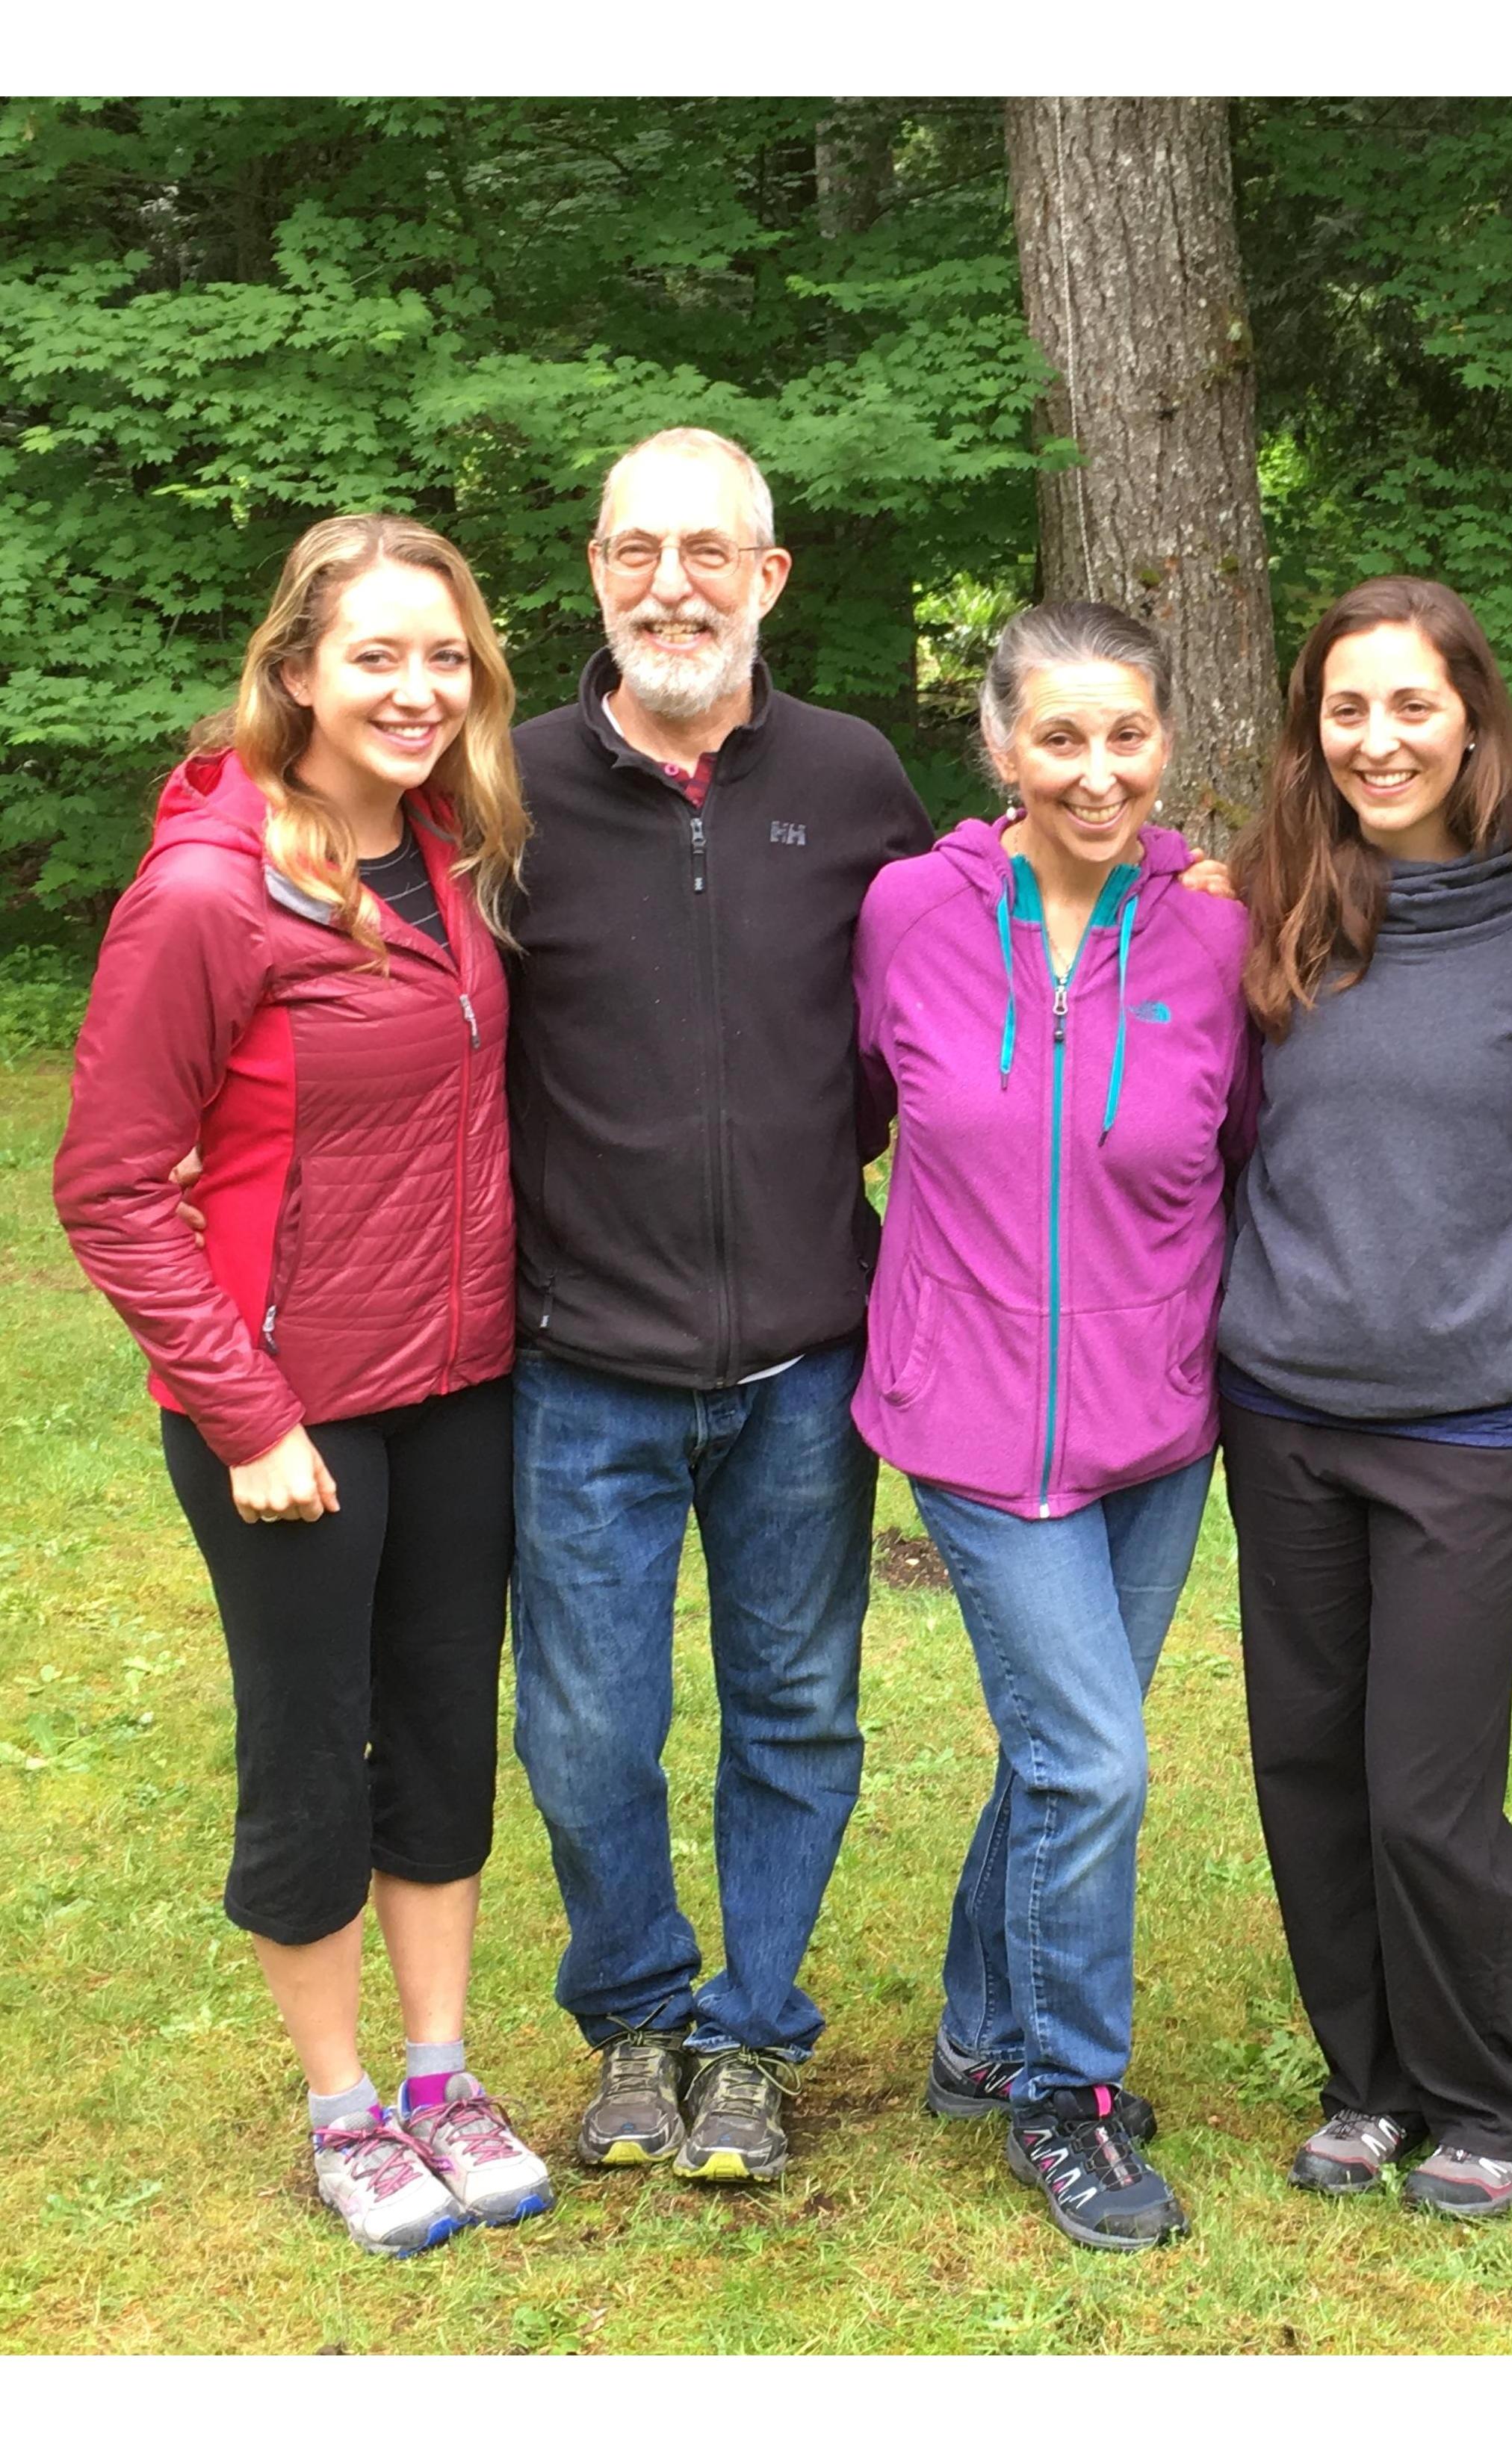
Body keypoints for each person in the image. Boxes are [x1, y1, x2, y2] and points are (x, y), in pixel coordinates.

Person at [54, 514, 553, 2257]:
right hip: (289, 1415)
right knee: (309, 1758)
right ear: (296, 674)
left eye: (447, 658)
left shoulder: (450, 848)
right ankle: (343, 2105)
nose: (418, 690)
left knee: (439, 1732)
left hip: (459, 1381)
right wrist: (247, 1413)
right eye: (377, 657)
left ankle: (440, 2077)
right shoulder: (207, 891)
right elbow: (110, 1185)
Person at [505, 428, 932, 2184]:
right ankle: (633, 2016)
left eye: (705, 550)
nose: (665, 582)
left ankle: (752, 2028)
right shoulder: (503, 787)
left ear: (766, 578)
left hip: (800, 1358)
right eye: (632, 549)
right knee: (588, 1718)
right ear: (595, 572)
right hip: (578, 1357)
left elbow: (951, 986)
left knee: (794, 1702)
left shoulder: (852, 774)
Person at [851, 601, 1254, 2252]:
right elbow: (842, 1107)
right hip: (965, 1412)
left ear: (1165, 743)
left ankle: (972, 2027)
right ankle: (1063, 2095)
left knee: (1059, 1751)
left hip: (1156, 1420)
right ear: (1003, 747)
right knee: (1094, 1754)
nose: (1099, 770)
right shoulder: (905, 914)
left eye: (1129, 736)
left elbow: (1252, 1152)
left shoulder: (1218, 937)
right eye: (1061, 738)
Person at [1216, 577, 1512, 2220]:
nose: (1377, 738)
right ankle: (1363, 2077)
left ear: (1471, 717)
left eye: (1409, 706)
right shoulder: (1266, 902)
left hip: (1466, 1416)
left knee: (1426, 1783)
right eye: (1344, 708)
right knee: (1304, 1758)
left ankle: (1484, 2093)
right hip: (1283, 1402)